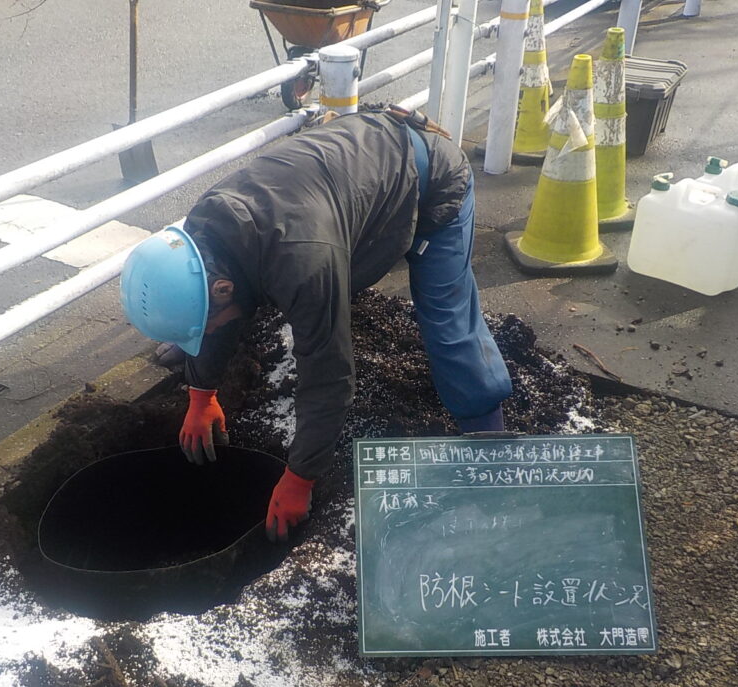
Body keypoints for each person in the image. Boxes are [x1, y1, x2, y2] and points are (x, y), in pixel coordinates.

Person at [120, 108, 512, 542]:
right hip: (346, 180)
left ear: (224, 289)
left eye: (204, 329)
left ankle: (487, 433)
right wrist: (200, 392)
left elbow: (329, 377)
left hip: (431, 179)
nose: (208, 336)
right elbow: (212, 309)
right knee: (285, 300)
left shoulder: (302, 262)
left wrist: (300, 477)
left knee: (445, 315)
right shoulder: (203, 233)